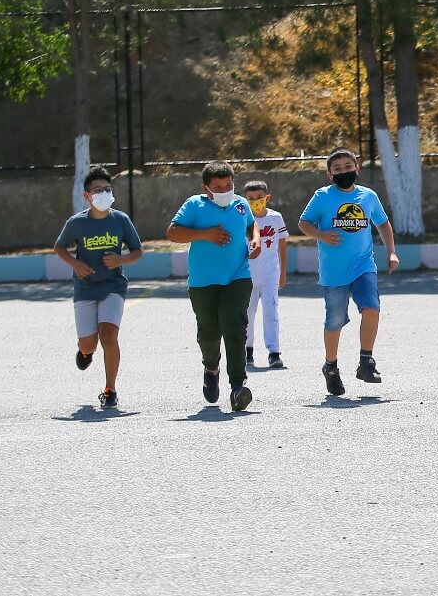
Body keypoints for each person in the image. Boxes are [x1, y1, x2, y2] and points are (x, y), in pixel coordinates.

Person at [298, 149, 399, 396]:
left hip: (363, 265)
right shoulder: (322, 197)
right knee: (335, 321)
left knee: (372, 308)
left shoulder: (368, 196)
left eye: (348, 166)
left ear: (357, 168)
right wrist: (320, 235)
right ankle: (330, 367)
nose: (344, 172)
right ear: (329, 173)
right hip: (334, 271)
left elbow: (383, 223)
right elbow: (303, 223)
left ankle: (366, 361)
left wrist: (391, 252)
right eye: (338, 169)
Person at [166, 161, 260, 412]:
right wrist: (205, 234)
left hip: (238, 277)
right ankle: (211, 367)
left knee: (235, 325)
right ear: (206, 188)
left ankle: (238, 386)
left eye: (228, 185)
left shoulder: (240, 204)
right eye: (217, 187)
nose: (224, 190)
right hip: (203, 282)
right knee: (208, 332)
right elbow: (173, 232)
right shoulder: (194, 206)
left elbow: (252, 224)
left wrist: (256, 239)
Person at [54, 166, 143, 408]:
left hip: (113, 285)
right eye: (97, 190)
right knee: (89, 343)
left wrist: (121, 260)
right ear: (87, 195)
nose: (103, 193)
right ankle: (85, 353)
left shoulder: (120, 220)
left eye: (107, 189)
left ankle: (110, 388)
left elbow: (137, 251)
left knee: (109, 335)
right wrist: (76, 264)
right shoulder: (77, 223)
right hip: (85, 288)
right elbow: (59, 247)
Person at [243, 180, 289, 370]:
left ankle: (274, 352)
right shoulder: (243, 219)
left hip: (270, 274)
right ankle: (247, 351)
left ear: (267, 198)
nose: (255, 202)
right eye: (251, 199)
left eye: (259, 198)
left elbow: (282, 245)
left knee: (271, 312)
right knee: (247, 314)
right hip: (246, 275)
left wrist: (283, 272)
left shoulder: (275, 218)